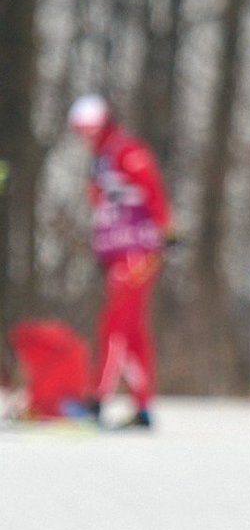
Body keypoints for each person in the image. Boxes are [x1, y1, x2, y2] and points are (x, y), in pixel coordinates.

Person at [68, 94, 173, 429]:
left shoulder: (126, 150)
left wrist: (165, 229)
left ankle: (97, 400)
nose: (85, 138)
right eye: (80, 132)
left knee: (113, 327)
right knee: (132, 332)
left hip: (137, 251)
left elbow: (152, 187)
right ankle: (143, 407)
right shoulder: (101, 159)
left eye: (89, 130)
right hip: (117, 253)